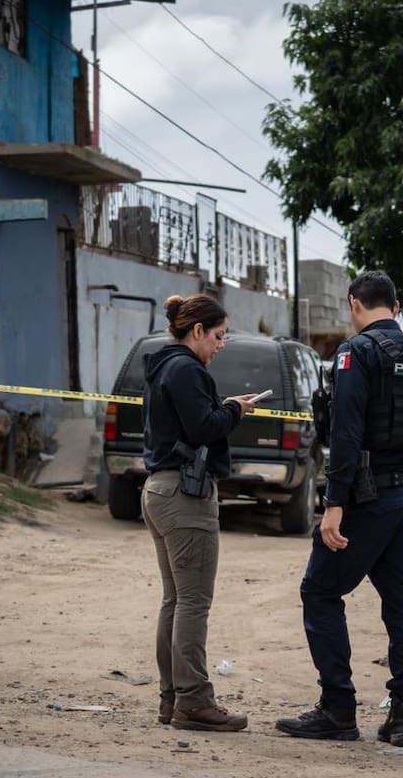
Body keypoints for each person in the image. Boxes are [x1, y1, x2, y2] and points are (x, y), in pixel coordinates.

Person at [275, 271, 403, 747]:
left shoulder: (357, 353)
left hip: (371, 496)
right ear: (396, 306)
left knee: (319, 590)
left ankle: (337, 709)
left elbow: (346, 434)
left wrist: (334, 505)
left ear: (355, 304)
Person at [141, 293, 259, 732]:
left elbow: (187, 420)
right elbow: (203, 427)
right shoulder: (187, 368)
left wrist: (223, 406)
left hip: (159, 490)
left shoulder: (163, 365)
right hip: (184, 495)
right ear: (196, 331)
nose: (221, 344)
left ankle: (173, 699)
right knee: (192, 602)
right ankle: (193, 701)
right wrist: (233, 410)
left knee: (175, 601)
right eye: (219, 335)